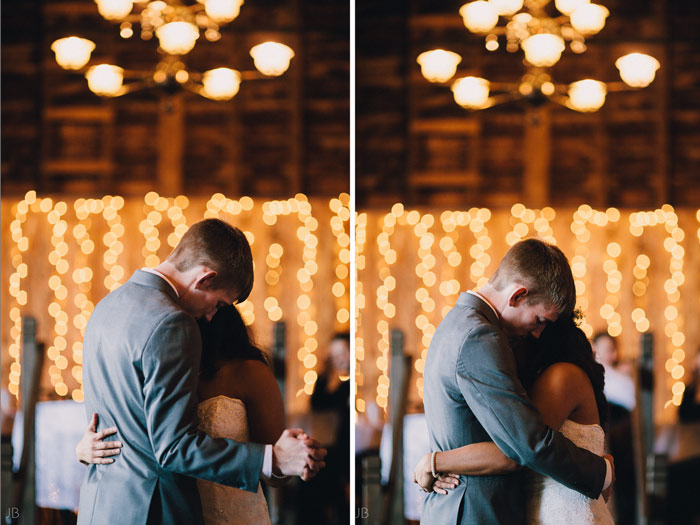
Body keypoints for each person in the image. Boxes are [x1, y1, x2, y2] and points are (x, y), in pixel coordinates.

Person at [76, 219, 325, 525]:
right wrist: (272, 458)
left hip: (101, 509)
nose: (211, 316)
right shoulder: (172, 323)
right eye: (219, 304)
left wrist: (82, 448)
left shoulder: (106, 307)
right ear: (205, 278)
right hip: (153, 511)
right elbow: (173, 448)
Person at [417, 238, 615, 524]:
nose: (538, 333)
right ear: (518, 295)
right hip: (478, 510)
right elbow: (523, 444)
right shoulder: (480, 337)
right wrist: (603, 472)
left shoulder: (455, 323)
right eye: (540, 320)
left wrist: (434, 462)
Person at [77, 304, 301, 524]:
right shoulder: (160, 377)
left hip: (233, 515)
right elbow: (131, 435)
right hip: (169, 511)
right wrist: (83, 450)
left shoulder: (249, 373)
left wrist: (283, 461)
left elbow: (276, 469)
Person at [298, 332, 350, 524]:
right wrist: (325, 370)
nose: (338, 359)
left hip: (346, 452)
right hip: (338, 449)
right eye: (333, 355)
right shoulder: (339, 385)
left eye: (342, 353)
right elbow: (318, 403)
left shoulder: (351, 385)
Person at [593, 332, 637, 525]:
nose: (608, 356)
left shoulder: (622, 375)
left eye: (611, 350)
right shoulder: (599, 375)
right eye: (604, 350)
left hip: (624, 444)